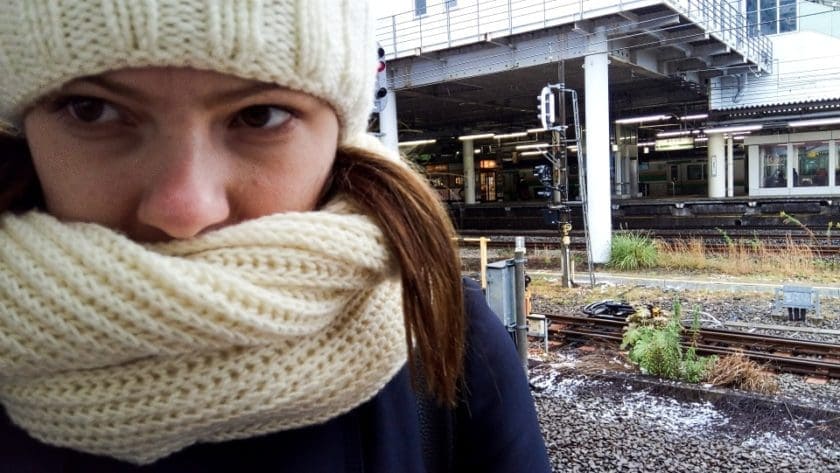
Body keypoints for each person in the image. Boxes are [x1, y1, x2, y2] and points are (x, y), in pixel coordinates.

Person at [0, 1, 551, 472]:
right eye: (93, 111)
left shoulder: (442, 327)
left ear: (341, 133)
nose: (186, 209)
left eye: (259, 115)